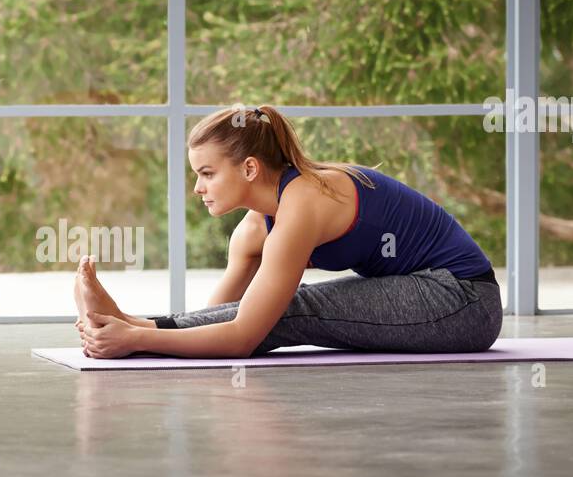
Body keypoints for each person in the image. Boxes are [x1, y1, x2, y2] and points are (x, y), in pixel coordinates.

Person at [74, 105, 502, 359]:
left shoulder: (303, 203)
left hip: (463, 302)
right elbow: (223, 317)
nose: (197, 188)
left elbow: (244, 336)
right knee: (276, 308)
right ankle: (127, 317)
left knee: (293, 309)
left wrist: (137, 341)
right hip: (421, 290)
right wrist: (142, 329)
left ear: (249, 168)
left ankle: (129, 324)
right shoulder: (253, 230)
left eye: (206, 173)